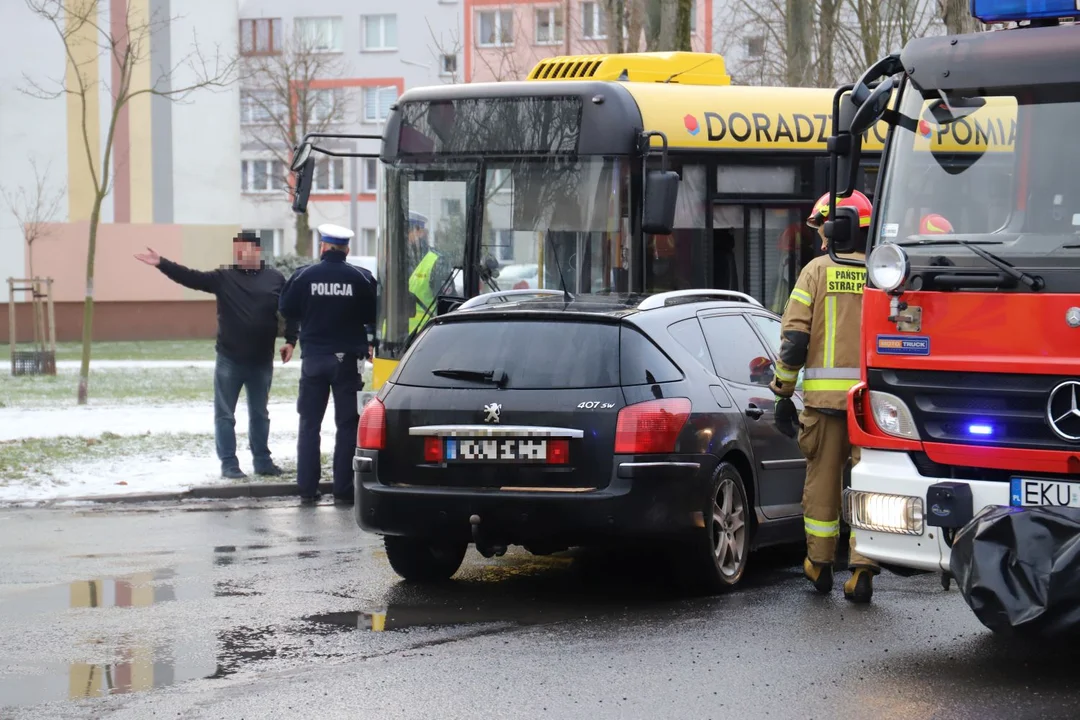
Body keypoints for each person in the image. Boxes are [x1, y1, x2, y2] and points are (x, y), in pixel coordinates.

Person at [769, 190, 880, 604]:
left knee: (823, 485)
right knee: (872, 487)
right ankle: (864, 566)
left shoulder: (816, 272)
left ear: (838, 229)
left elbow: (794, 340)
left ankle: (819, 564)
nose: (819, 240)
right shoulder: (882, 274)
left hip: (825, 405)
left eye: (822, 230)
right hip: (875, 408)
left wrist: (782, 389)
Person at [134, 232, 297, 479]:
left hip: (261, 361)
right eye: (237, 251)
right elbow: (191, 277)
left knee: (260, 414)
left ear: (257, 251)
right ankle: (229, 464)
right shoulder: (224, 278)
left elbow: (290, 310)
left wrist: (291, 341)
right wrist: (162, 263)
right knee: (224, 414)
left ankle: (263, 462)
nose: (240, 255)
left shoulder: (275, 279)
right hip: (229, 359)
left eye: (245, 250)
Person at [279, 223, 377, 507]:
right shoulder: (361, 278)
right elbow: (373, 313)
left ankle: (308, 489)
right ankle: (344, 490)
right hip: (346, 361)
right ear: (347, 249)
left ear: (322, 246)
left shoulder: (303, 277)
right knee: (347, 425)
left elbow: (286, 309)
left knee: (309, 423)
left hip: (313, 359)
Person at [405, 212, 454, 334]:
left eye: (408, 231)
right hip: (390, 343)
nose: (405, 236)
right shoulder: (394, 260)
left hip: (423, 337)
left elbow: (446, 305)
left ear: (420, 232)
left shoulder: (437, 262)